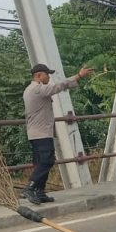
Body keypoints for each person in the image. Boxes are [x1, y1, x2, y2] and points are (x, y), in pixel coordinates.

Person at [21, 62, 93, 205]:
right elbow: (58, 87)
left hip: (36, 133)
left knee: (40, 162)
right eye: (47, 74)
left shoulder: (29, 89)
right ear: (39, 75)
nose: (49, 77)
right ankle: (30, 187)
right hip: (41, 133)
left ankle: (40, 191)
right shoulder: (37, 89)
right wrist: (78, 76)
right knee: (47, 160)